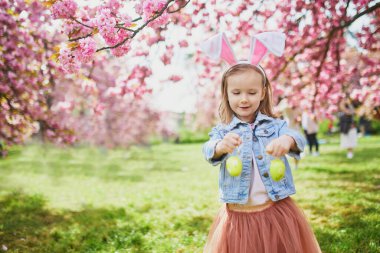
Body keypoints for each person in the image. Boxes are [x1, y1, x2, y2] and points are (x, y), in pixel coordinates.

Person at [201, 32, 321, 253]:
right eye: (236, 92)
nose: (244, 99)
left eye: (252, 92)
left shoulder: (275, 126)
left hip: (274, 209)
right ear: (226, 94)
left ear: (263, 92)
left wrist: (287, 140)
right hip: (238, 213)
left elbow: (299, 139)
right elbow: (208, 150)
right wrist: (220, 147)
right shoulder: (223, 131)